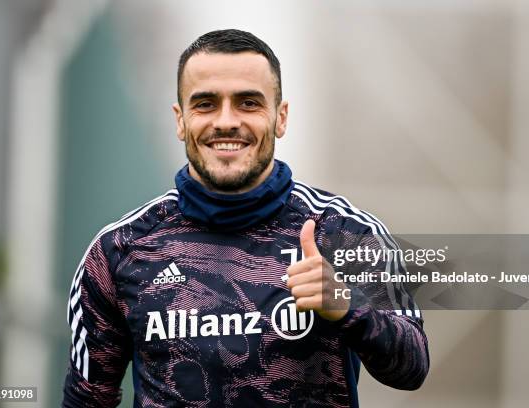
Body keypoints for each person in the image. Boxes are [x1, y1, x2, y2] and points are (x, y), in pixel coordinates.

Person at [63, 29, 429, 407]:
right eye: (205, 103)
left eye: (248, 103)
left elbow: (412, 368)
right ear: (180, 119)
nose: (225, 121)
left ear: (280, 117)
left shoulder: (344, 232)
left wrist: (347, 305)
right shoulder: (119, 251)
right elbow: (88, 398)